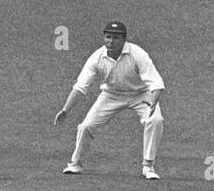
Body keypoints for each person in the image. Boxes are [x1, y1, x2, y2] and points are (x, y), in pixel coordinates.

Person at [55, 22, 164, 180]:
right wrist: (66, 110)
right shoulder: (97, 57)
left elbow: (156, 83)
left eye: (115, 37)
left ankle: (148, 166)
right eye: (108, 37)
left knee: (155, 120)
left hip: (141, 94)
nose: (110, 41)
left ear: (124, 39)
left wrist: (153, 103)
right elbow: (80, 86)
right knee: (86, 126)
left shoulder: (138, 54)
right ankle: (75, 164)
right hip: (111, 95)